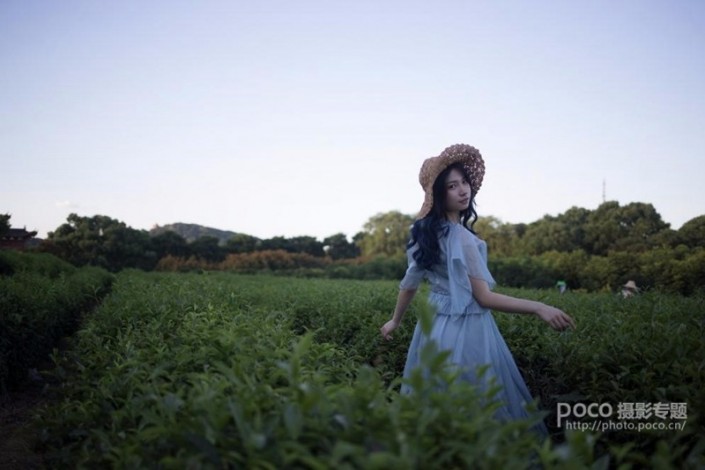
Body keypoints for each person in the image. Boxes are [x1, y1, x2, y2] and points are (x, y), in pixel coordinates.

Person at [380, 144, 575, 435]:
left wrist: (395, 320)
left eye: (464, 183)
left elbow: (409, 284)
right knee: (478, 401)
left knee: (436, 400)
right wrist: (539, 307)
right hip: (468, 327)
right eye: (452, 186)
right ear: (438, 194)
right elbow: (484, 297)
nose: (463, 191)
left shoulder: (424, 234)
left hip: (432, 328)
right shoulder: (463, 238)